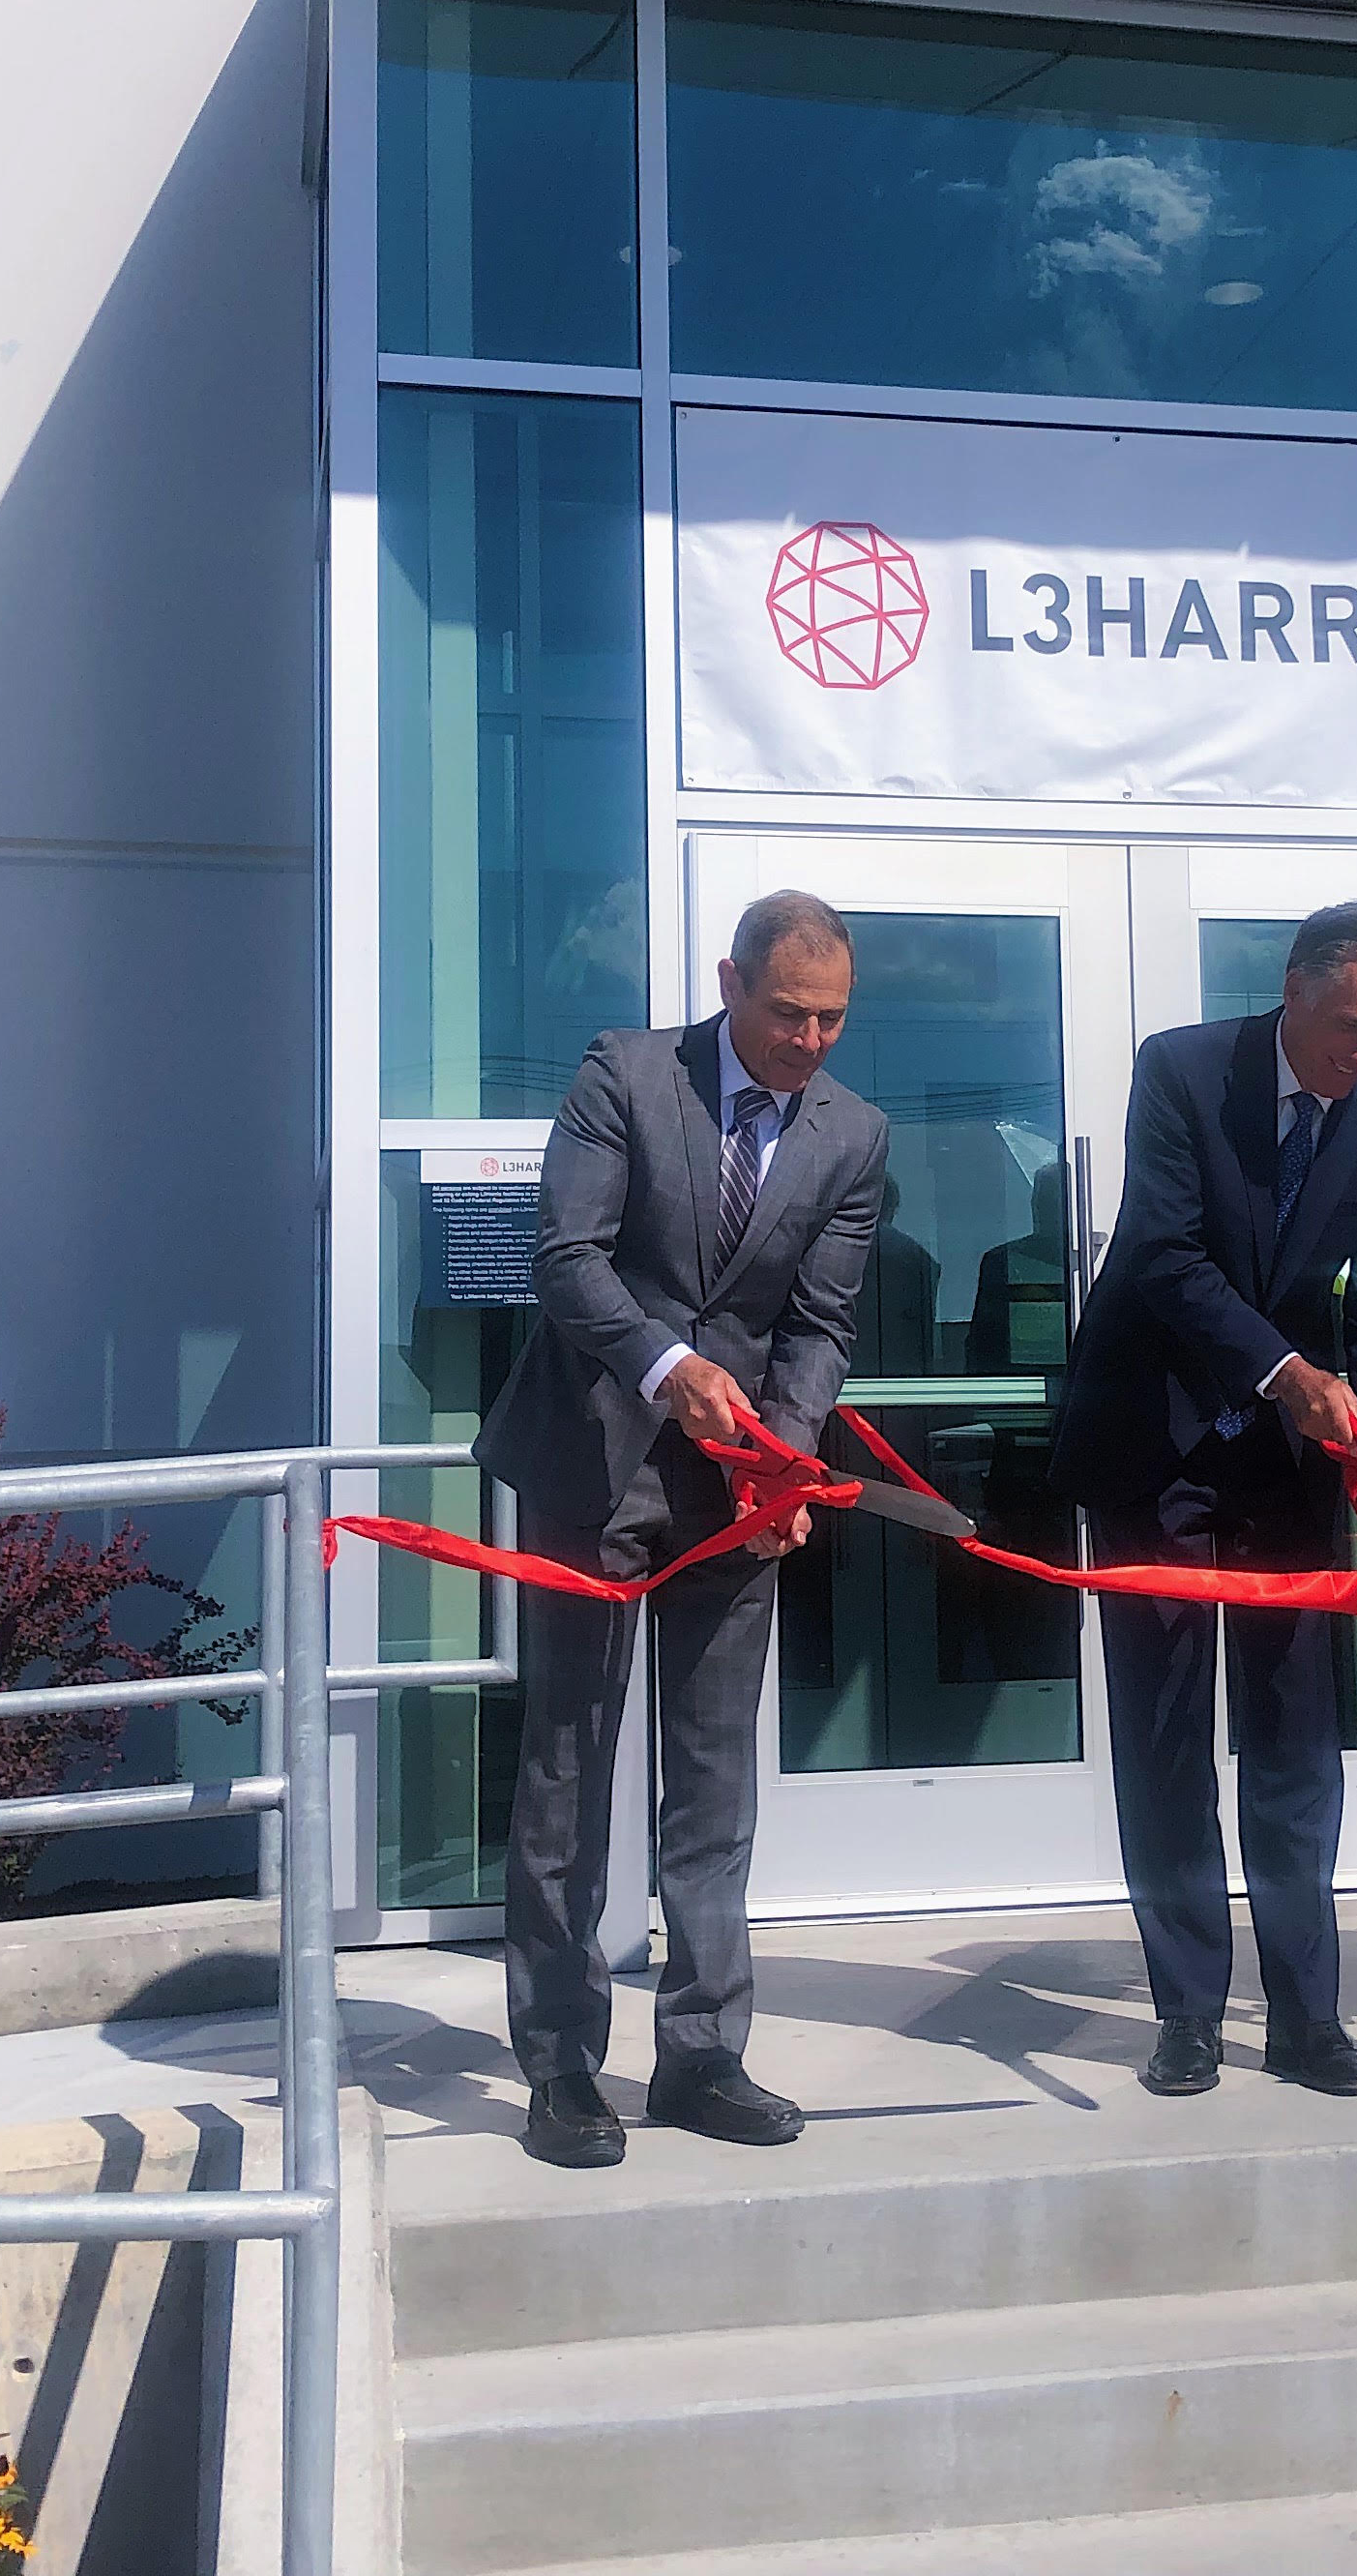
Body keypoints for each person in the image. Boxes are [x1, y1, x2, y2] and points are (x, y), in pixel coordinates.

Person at [475, 890, 890, 2167]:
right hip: (591, 1468)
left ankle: (703, 2054)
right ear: (730, 982)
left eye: (832, 1019)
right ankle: (560, 2065)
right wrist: (667, 1368)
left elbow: (818, 1324)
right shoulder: (625, 1073)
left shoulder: (856, 1135)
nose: (810, 1041)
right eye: (787, 1013)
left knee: (713, 1780)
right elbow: (569, 1259)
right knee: (569, 1764)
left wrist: (788, 1462)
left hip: (733, 1499)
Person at [1048, 902, 1357, 2100]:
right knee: (1166, 1740)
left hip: (1290, 1466)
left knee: (1295, 1740)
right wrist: (1283, 1370)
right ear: (1294, 989)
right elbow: (1162, 1253)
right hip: (1152, 1444)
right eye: (1349, 1026)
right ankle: (1189, 2014)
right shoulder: (1182, 1067)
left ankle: (1309, 2017)